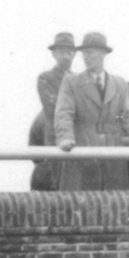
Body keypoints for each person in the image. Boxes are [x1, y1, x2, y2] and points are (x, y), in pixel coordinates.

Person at [54, 31, 129, 190]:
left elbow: (128, 115)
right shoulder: (71, 82)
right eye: (83, 53)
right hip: (82, 153)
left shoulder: (119, 84)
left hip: (113, 156)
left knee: (114, 205)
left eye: (90, 53)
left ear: (103, 54)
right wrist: (65, 138)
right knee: (82, 205)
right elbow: (64, 113)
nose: (85, 57)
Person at [29, 31, 77, 190]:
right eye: (62, 51)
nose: (66, 56)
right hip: (55, 144)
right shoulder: (46, 78)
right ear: (54, 54)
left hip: (78, 143)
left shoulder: (81, 80)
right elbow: (55, 109)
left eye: (70, 52)